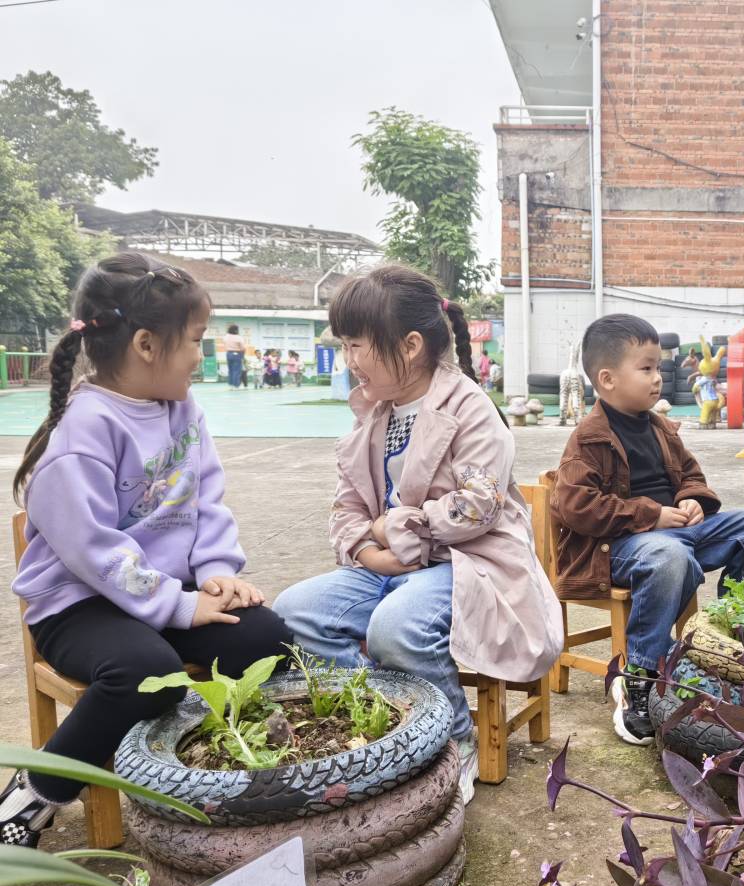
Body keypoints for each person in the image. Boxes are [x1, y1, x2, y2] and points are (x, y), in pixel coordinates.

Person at [0, 253, 290, 848]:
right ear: (146, 345)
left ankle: (214, 766)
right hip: (78, 605)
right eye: (195, 341)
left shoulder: (184, 412)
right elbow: (92, 550)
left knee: (266, 637)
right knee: (144, 672)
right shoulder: (79, 434)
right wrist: (178, 608)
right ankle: (36, 795)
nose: (201, 356)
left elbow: (207, 499)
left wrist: (213, 574)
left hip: (166, 596)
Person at [272, 266, 562, 804]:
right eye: (345, 344)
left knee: (396, 627)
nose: (349, 359)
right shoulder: (372, 414)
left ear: (409, 346)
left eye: (356, 344)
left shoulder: (472, 409)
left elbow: (476, 508)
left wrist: (394, 528)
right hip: (386, 567)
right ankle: (393, 718)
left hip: (466, 564)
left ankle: (452, 741)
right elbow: (346, 505)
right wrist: (363, 549)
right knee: (291, 614)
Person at [551, 314, 744, 746]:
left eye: (659, 367)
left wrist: (694, 499)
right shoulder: (588, 438)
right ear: (607, 378)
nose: (659, 378)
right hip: (620, 549)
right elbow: (573, 505)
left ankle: (731, 642)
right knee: (669, 556)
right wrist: (650, 515)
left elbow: (692, 475)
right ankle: (640, 676)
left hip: (678, 535)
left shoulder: (661, 428)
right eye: (647, 368)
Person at [223, 324, 245, 389]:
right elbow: (243, 348)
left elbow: (224, 343)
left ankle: (230, 385)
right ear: (236, 330)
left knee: (230, 370)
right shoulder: (238, 337)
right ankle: (236, 385)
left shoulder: (226, 336)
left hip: (228, 353)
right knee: (237, 370)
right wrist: (242, 356)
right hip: (237, 354)